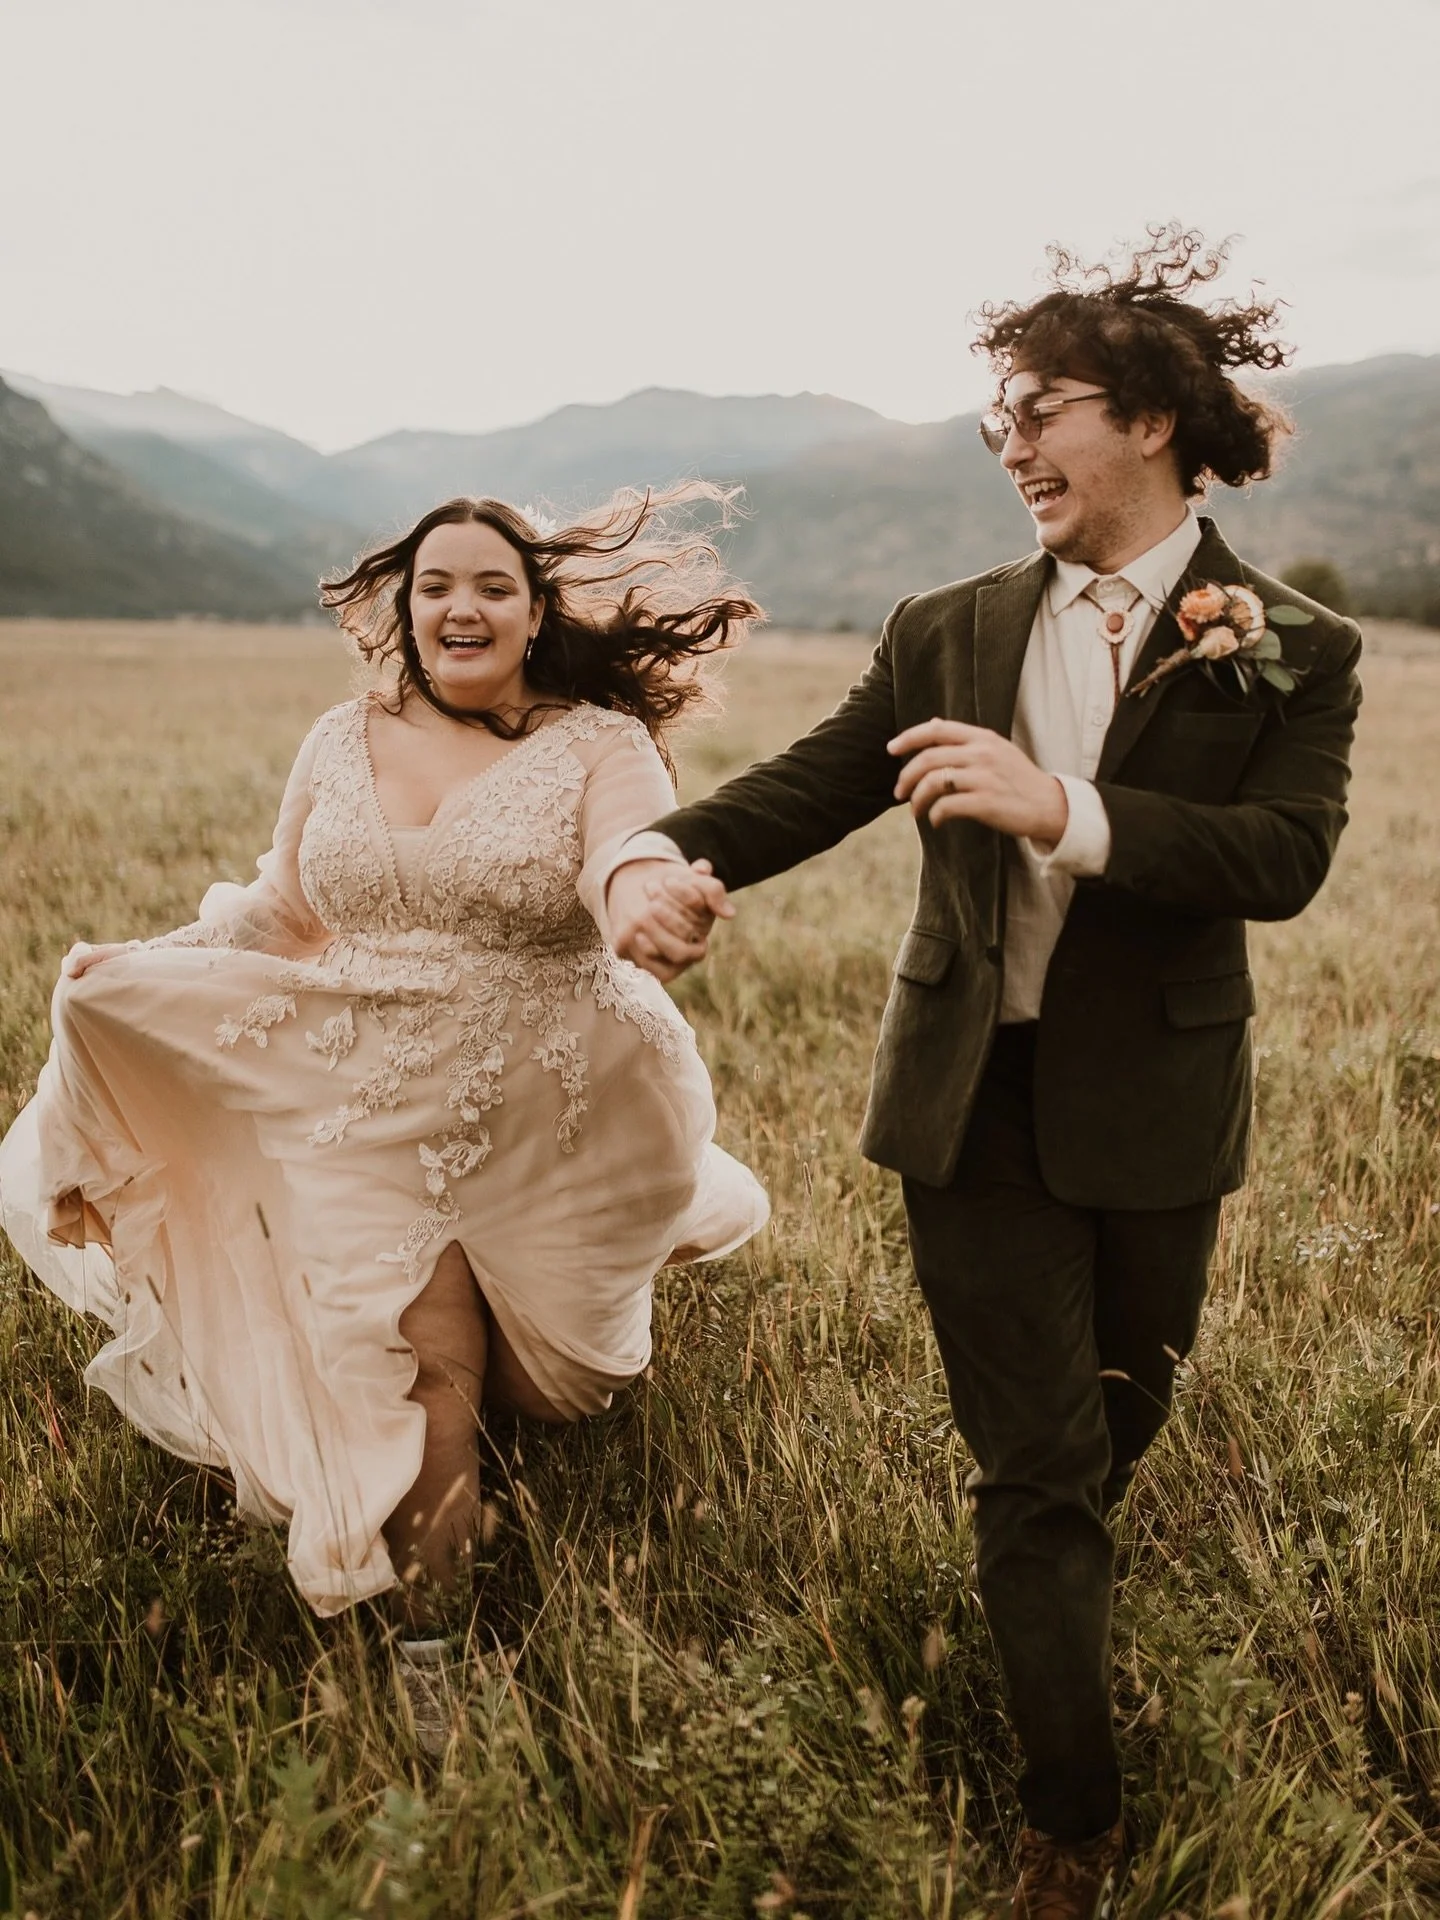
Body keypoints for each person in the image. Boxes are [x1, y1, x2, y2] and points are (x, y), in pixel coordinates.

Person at [603, 229, 1362, 1919]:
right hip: (971, 1107)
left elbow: (1283, 857)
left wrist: (1064, 811)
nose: (1009, 444)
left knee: (1113, 1429)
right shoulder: (945, 627)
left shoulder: (1296, 642)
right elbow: (806, 788)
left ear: (1154, 417)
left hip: (1160, 1110)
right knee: (1035, 1473)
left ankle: (1060, 1594)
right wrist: (650, 857)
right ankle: (1069, 1821)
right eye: (991, 422)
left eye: (1036, 409)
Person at [0, 485, 769, 1626]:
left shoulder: (602, 746)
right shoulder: (341, 736)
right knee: (420, 1376)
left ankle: (578, 1298)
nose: (462, 605)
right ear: (405, 610)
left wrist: (652, 899)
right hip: (363, 1093)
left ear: (533, 609)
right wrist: (144, 962)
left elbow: (629, 859)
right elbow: (283, 912)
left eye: (491, 586)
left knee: (558, 1390)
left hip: (557, 1105)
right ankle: (432, 1669)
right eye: (436, 586)